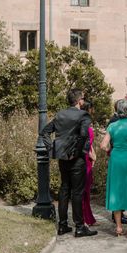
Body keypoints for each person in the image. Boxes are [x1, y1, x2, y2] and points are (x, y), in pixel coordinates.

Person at [40, 88, 97, 237]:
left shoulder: (60, 115)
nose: (83, 101)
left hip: (63, 158)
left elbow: (44, 131)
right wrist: (78, 152)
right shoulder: (84, 115)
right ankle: (79, 227)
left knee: (64, 190)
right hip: (76, 159)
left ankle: (62, 225)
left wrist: (52, 148)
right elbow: (84, 135)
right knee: (77, 192)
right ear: (79, 101)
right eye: (83, 99)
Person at [101, 99, 127, 238]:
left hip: (116, 159)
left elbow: (103, 145)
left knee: (116, 190)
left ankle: (118, 227)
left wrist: (110, 148)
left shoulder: (112, 126)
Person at [81, 100, 97, 226]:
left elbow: (89, 143)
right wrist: (90, 153)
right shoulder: (83, 125)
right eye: (92, 109)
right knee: (83, 190)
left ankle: (89, 217)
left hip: (88, 158)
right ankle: (83, 219)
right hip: (84, 159)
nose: (93, 111)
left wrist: (93, 152)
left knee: (87, 190)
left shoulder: (87, 124)